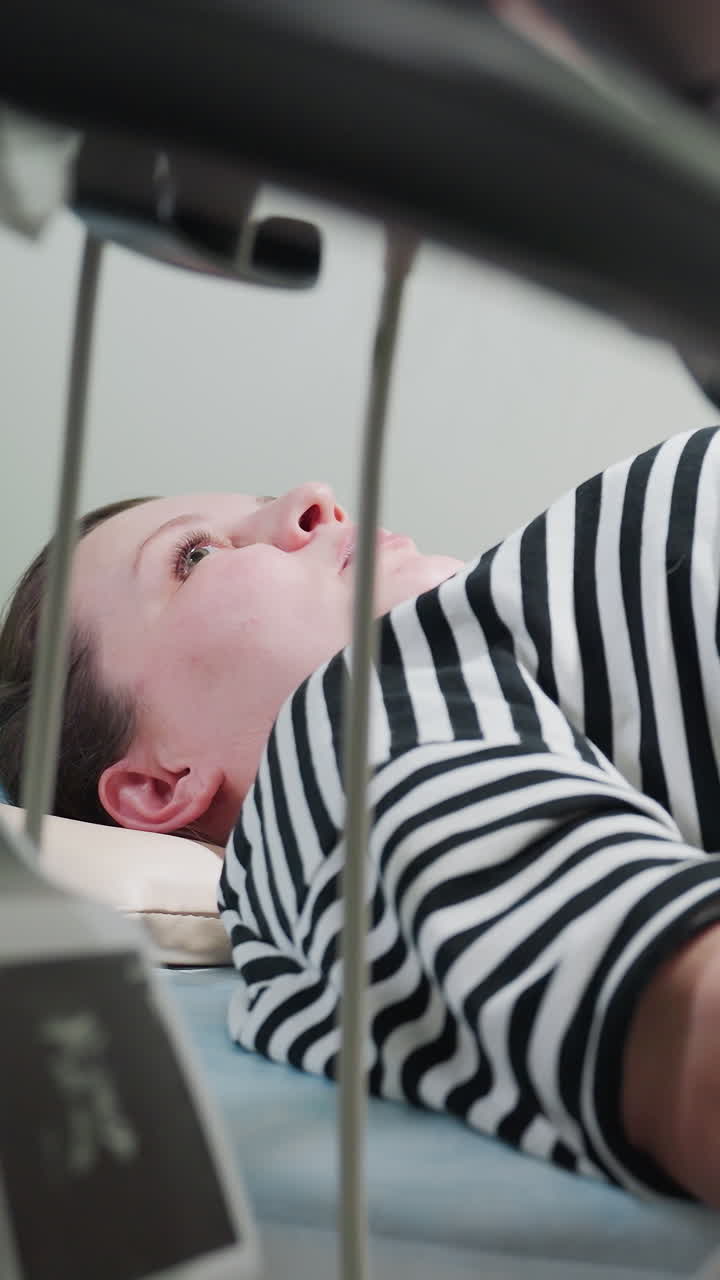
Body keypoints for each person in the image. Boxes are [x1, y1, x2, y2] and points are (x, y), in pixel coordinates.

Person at [4, 428, 720, 1208]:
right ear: (156, 785)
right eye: (195, 557)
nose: (313, 498)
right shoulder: (338, 746)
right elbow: (689, 1048)